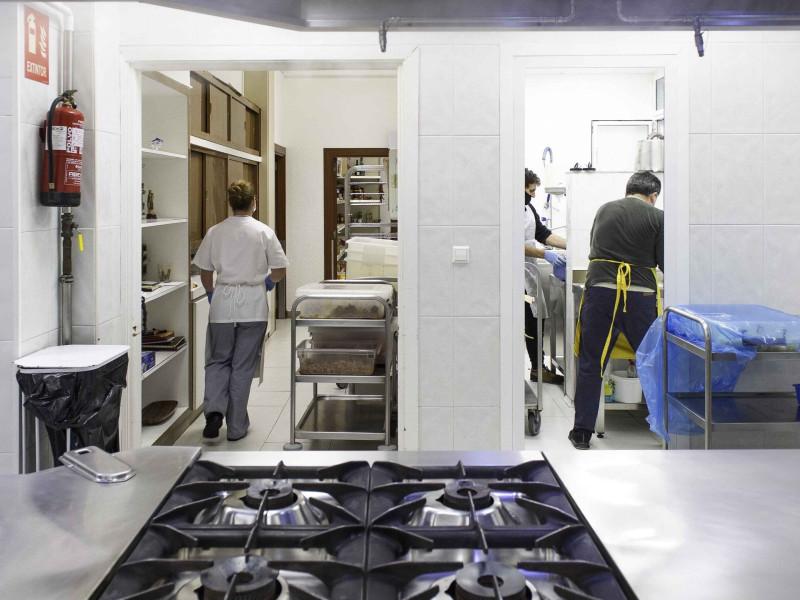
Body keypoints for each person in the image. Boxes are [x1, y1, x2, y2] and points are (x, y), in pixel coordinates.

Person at [569, 171, 663, 450]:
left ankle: (583, 433)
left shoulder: (604, 209)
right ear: (653, 196)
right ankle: (665, 428)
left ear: (627, 190)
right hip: (640, 296)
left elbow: (593, 246)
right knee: (651, 363)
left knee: (592, 362)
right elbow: (664, 261)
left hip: (600, 292)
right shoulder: (658, 217)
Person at [192, 180, 289, 441]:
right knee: (242, 366)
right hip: (254, 306)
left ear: (231, 202)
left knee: (217, 360)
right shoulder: (264, 232)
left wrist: (212, 294)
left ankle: (213, 412)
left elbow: (205, 270)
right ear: (253, 201)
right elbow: (279, 270)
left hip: (222, 305)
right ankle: (236, 427)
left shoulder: (215, 231)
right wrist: (267, 283)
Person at [524, 169, 567, 383]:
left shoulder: (528, 208)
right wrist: (544, 254)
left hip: (528, 273)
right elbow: (513, 243)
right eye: (530, 190)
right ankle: (535, 368)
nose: (533, 195)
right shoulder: (506, 210)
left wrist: (572, 244)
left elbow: (543, 234)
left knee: (535, 319)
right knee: (529, 321)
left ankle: (537, 368)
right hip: (513, 275)